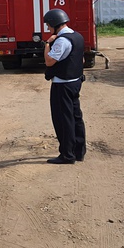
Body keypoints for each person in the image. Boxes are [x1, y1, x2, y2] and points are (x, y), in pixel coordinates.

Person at [43, 9, 86, 165]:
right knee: (76, 117)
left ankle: (67, 155)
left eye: (48, 26)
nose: (48, 29)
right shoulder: (77, 36)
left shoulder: (62, 41)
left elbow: (49, 61)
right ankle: (79, 152)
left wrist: (48, 44)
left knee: (63, 120)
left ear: (54, 24)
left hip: (62, 85)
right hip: (76, 81)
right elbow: (80, 61)